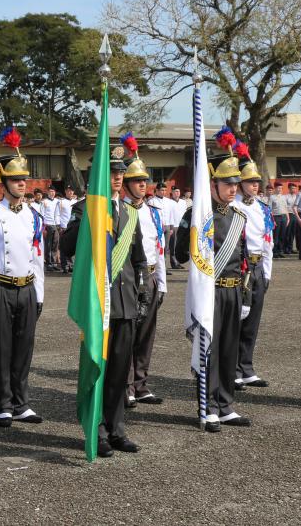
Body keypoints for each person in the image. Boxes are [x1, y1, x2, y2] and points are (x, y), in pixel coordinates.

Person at [61, 149, 148, 457]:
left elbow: (138, 259)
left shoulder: (129, 211)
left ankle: (116, 429)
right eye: (112, 172)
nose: (118, 177)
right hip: (99, 304)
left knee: (119, 372)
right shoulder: (85, 208)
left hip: (124, 303)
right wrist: (88, 219)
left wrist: (144, 293)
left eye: (120, 172)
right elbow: (66, 247)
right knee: (98, 367)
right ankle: (95, 430)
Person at [175, 132, 252, 432]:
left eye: (236, 183)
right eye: (228, 183)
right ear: (212, 184)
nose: (234, 188)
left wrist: (245, 295)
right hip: (209, 293)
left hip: (232, 292)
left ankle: (226, 404)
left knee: (229, 350)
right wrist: (193, 230)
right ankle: (207, 407)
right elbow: (180, 254)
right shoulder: (197, 214)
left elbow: (243, 259)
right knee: (209, 349)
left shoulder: (238, 217)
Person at [0, 129, 45, 427]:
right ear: (4, 182)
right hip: (0, 288)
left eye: (24, 179)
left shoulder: (34, 216)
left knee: (24, 348)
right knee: (2, 349)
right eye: (16, 180)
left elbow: (37, 259)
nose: (22, 184)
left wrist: (39, 295)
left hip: (26, 288)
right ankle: (3, 403)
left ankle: (21, 402)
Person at [120, 134, 166, 407]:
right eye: (138, 181)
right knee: (128, 333)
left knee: (146, 334)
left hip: (149, 277)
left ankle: (141, 383)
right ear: (126, 185)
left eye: (145, 181)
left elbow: (159, 248)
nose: (143, 185)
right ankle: (126, 385)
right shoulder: (120, 211)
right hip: (127, 279)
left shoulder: (153, 212)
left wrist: (161, 282)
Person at [230, 144, 273, 389]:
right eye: (250, 181)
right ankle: (233, 368)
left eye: (257, 181)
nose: (255, 185)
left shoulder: (262, 208)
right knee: (237, 320)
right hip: (240, 268)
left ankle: (247, 367)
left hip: (257, 268)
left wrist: (267, 272)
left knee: (253, 321)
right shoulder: (234, 207)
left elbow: (269, 243)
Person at [41, 186, 61, 271]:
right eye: (50, 191)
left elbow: (58, 213)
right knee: (48, 244)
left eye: (53, 191)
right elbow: (42, 214)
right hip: (48, 224)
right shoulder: (44, 202)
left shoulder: (58, 201)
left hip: (55, 225)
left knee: (55, 244)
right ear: (48, 192)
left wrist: (58, 224)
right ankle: (48, 263)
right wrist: (44, 227)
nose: (52, 193)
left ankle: (54, 263)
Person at [58, 185, 77, 273]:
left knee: (72, 246)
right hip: (64, 227)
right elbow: (57, 214)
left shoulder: (76, 201)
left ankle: (71, 265)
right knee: (63, 247)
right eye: (68, 191)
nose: (70, 192)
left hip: (73, 227)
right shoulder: (61, 202)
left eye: (71, 191)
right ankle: (64, 265)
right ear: (65, 192)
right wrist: (59, 226)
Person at [269, 183, 290, 258]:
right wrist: (273, 220)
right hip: (276, 217)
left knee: (282, 235)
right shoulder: (272, 197)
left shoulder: (284, 197)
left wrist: (288, 218)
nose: (280, 190)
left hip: (284, 217)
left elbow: (285, 208)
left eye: (281, 188)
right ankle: (274, 252)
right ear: (275, 188)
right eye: (278, 188)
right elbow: (270, 210)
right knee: (276, 236)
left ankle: (280, 251)